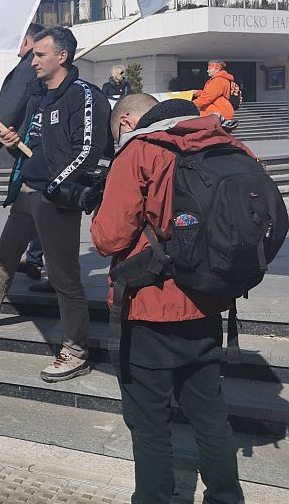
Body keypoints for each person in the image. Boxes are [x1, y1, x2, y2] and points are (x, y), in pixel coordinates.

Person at [91, 94, 245, 504]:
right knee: (210, 417)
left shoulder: (140, 151)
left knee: (150, 423)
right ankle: (227, 498)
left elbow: (109, 238)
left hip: (149, 307)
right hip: (210, 303)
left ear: (127, 122)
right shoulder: (230, 145)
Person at [0, 27, 111, 382]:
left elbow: (89, 150)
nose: (32, 60)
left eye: (39, 55)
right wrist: (11, 142)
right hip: (28, 191)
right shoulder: (39, 95)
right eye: (32, 54)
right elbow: (31, 146)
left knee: (64, 276)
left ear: (62, 57)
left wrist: (54, 186)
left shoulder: (85, 96)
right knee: (4, 252)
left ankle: (76, 350)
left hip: (55, 198)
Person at [0, 22, 43, 168]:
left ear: (24, 41)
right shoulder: (37, 66)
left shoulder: (28, 66)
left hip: (12, 146)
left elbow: (9, 109)